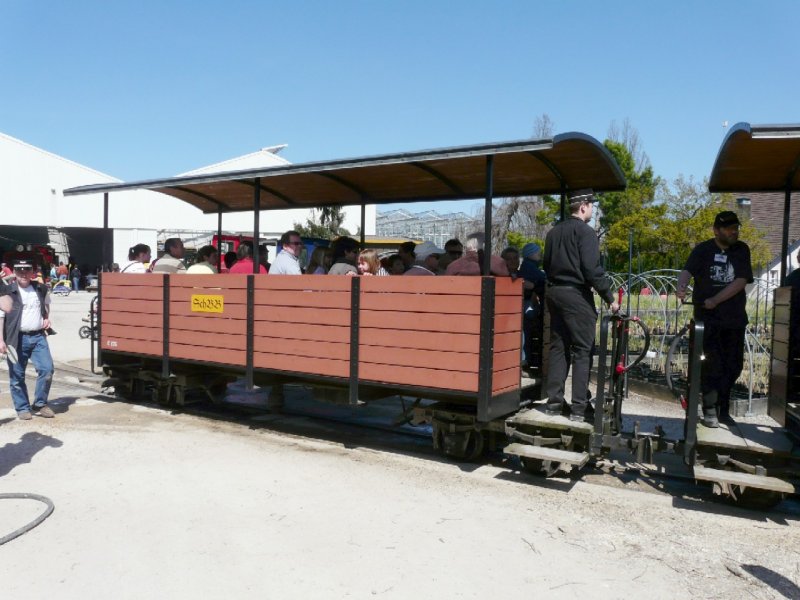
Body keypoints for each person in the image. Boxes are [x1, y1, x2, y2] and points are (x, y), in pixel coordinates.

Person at [543, 189, 619, 422]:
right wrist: (610, 297)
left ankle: (554, 404)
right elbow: (591, 269)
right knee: (583, 350)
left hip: (554, 292)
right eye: (592, 206)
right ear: (584, 206)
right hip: (576, 294)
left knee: (558, 347)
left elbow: (546, 264)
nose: (593, 210)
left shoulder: (553, 233)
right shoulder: (585, 233)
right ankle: (578, 409)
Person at [677, 210, 753, 428]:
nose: (734, 232)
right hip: (708, 320)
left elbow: (740, 281)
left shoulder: (741, 250)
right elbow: (687, 271)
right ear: (716, 230)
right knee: (712, 364)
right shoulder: (703, 250)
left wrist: (716, 299)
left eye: (736, 228)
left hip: (734, 319)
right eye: (729, 229)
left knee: (734, 365)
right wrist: (681, 287)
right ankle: (710, 409)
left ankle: (723, 407)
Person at [0, 259, 56, 420]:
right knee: (16, 376)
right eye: (19, 270)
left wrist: (46, 317)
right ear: (14, 272)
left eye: (27, 270)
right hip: (15, 339)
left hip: (38, 337)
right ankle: (22, 407)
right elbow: (1, 316)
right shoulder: (7, 291)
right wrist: (1, 340)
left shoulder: (41, 288)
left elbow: (46, 305)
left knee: (47, 370)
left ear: (33, 272)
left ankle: (40, 404)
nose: (23, 273)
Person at [519, 243, 547, 371]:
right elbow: (543, 278)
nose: (539, 255)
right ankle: (527, 360)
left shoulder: (528, 266)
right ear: (531, 254)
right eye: (537, 252)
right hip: (527, 304)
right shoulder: (530, 266)